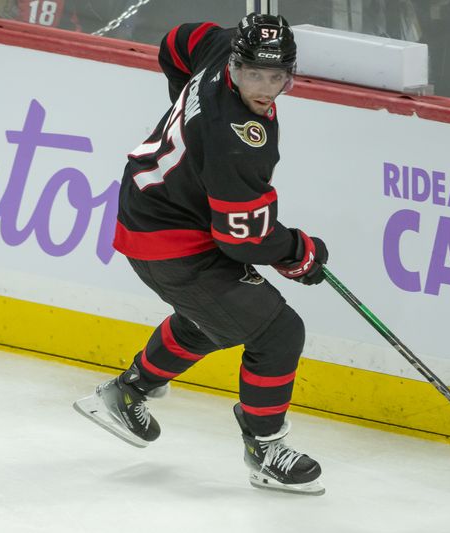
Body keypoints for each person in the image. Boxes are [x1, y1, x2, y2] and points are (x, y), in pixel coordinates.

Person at [73, 13, 329, 496]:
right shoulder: (236, 140)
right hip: (174, 240)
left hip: (153, 212)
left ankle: (127, 392)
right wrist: (298, 253)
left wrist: (184, 105)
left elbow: (177, 39)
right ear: (236, 63)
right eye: (254, 74)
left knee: (219, 315)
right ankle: (265, 449)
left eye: (277, 77)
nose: (265, 87)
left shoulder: (221, 45)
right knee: (276, 332)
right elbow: (242, 241)